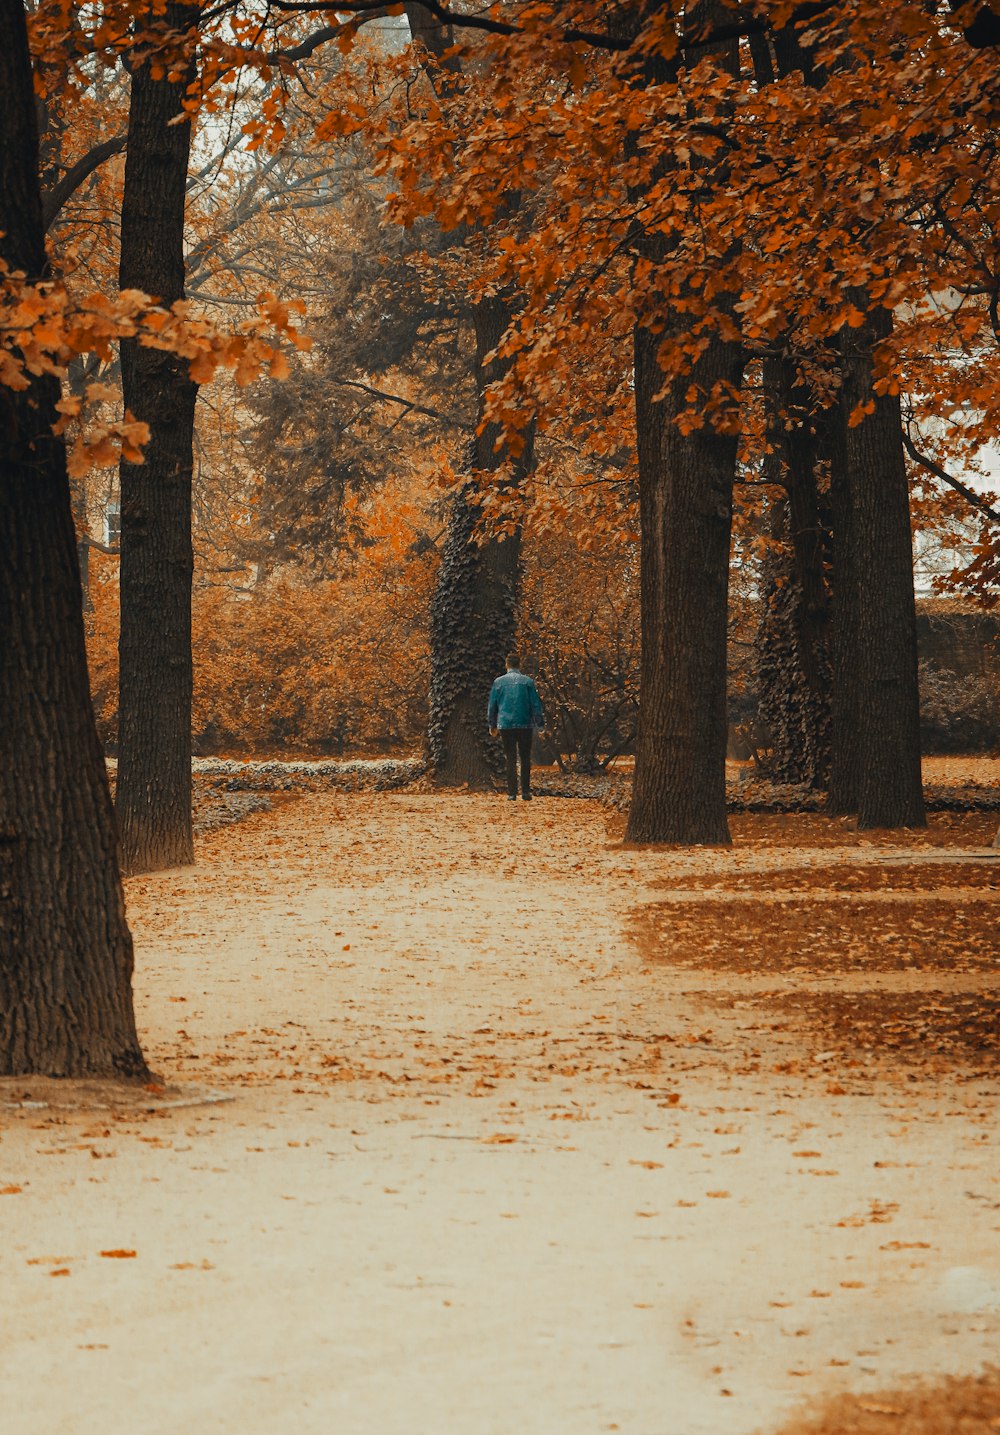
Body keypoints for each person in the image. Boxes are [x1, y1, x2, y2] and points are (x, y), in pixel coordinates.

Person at [487, 653, 545, 801]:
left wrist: (492, 724)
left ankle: (512, 793)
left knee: (510, 758)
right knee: (525, 758)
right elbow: (535, 704)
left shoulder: (498, 682)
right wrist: (540, 723)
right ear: (520, 664)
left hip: (505, 724)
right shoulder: (528, 682)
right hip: (525, 723)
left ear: (507, 665)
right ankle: (525, 792)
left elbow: (492, 706)